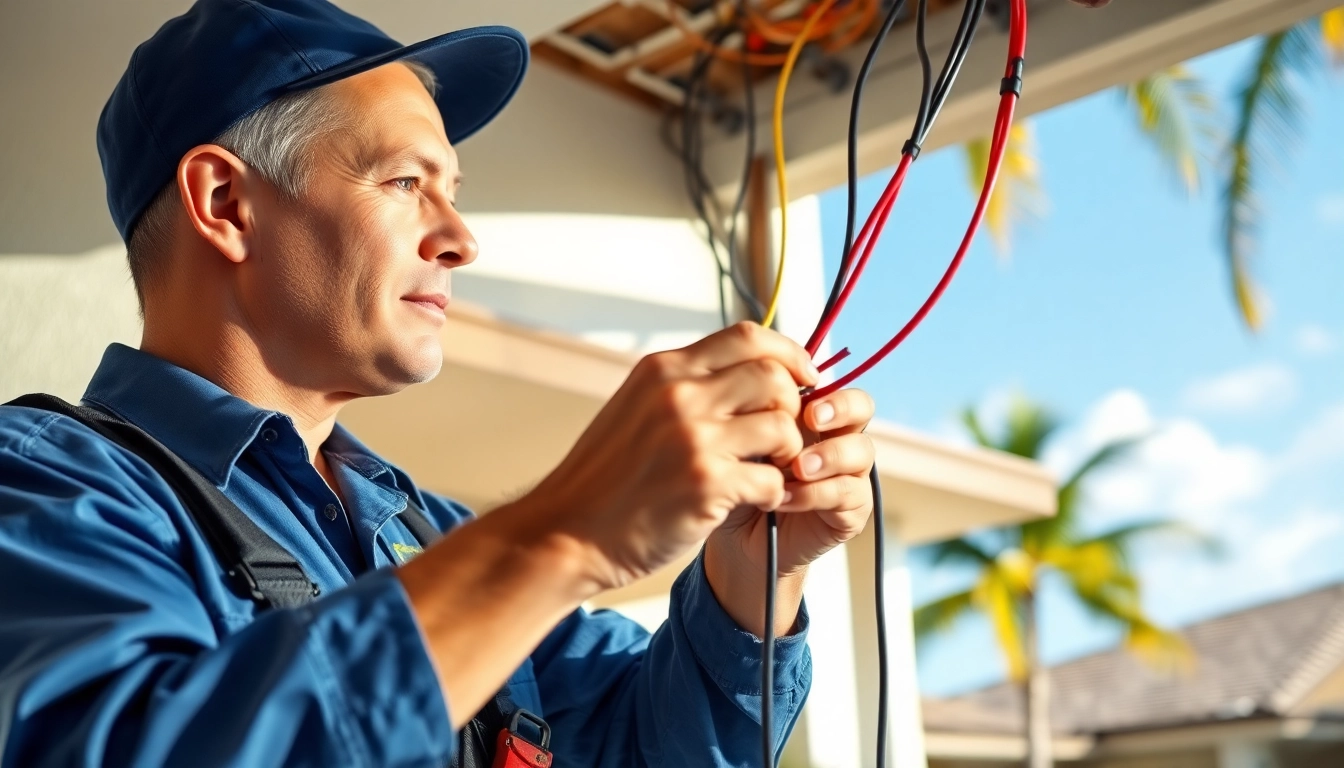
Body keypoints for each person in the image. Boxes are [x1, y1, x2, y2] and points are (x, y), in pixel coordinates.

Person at [0, 1, 878, 765]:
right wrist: (561, 533)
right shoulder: (44, 488)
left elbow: (641, 746)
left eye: (453, 190)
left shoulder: (424, 530)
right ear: (227, 204)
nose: (460, 237)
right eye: (406, 181)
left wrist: (748, 577)